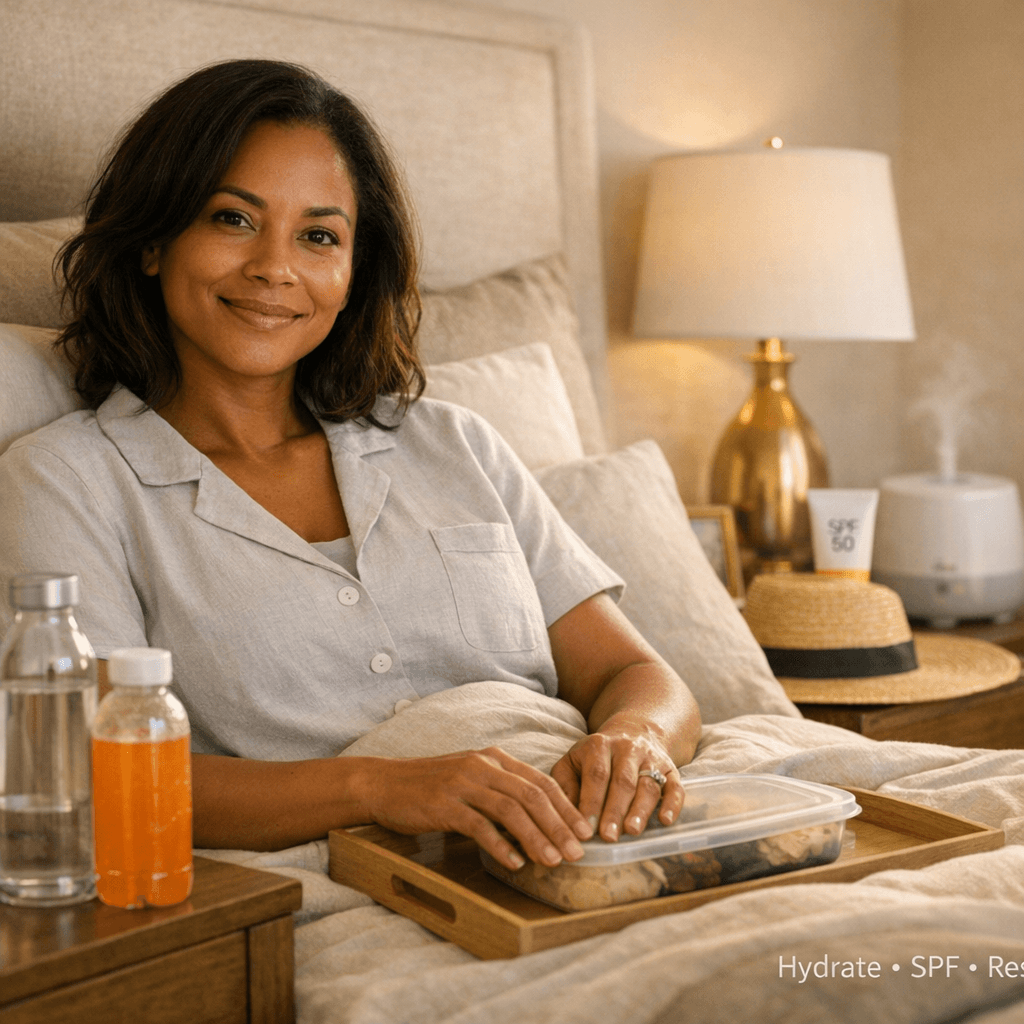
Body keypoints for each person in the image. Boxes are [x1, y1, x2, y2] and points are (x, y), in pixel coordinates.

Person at [0, 60, 700, 870]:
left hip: (613, 832)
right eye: (232, 219)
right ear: (154, 241)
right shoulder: (67, 481)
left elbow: (635, 672)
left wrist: (633, 742)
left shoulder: (453, 442)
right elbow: (99, 777)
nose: (275, 267)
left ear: (351, 273)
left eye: (319, 236)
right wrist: (377, 788)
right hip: (370, 881)